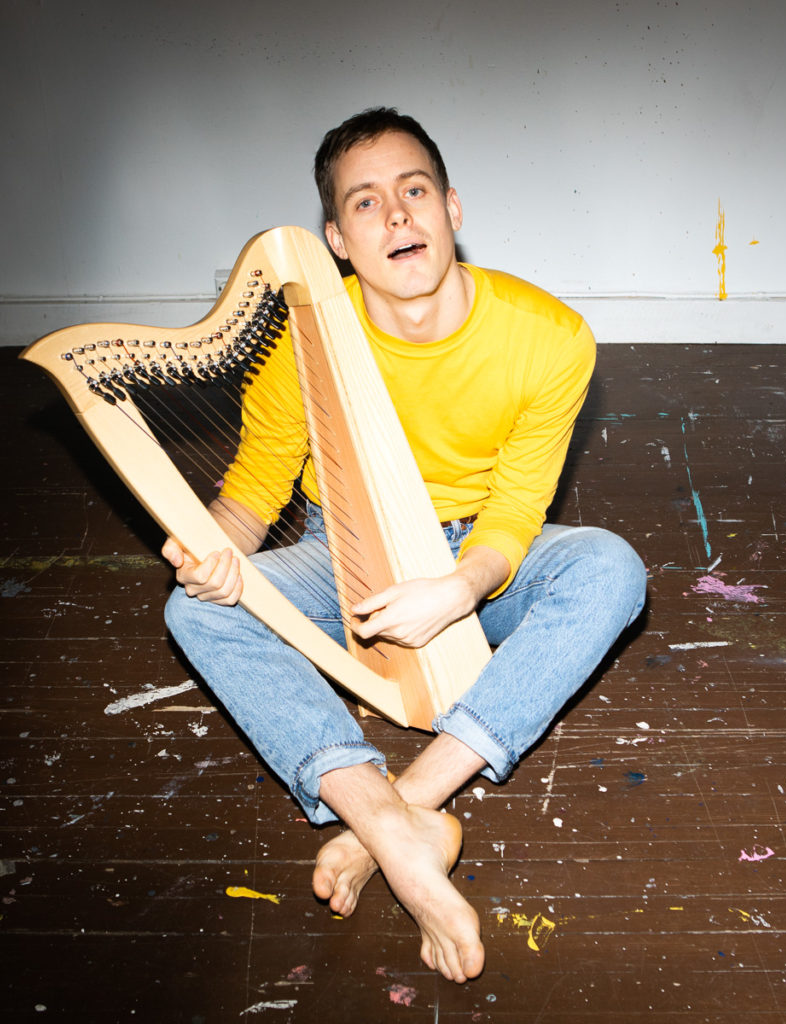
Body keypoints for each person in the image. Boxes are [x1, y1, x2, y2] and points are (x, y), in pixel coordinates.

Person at [162, 107, 645, 984]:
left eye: (414, 190)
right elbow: (255, 488)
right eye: (365, 202)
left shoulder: (550, 337)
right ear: (337, 241)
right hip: (346, 559)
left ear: (451, 208)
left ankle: (404, 809)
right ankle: (392, 827)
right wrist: (210, 550)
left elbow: (516, 512)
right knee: (193, 613)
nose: (395, 215)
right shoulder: (301, 339)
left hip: (481, 561)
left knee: (611, 569)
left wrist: (459, 589)